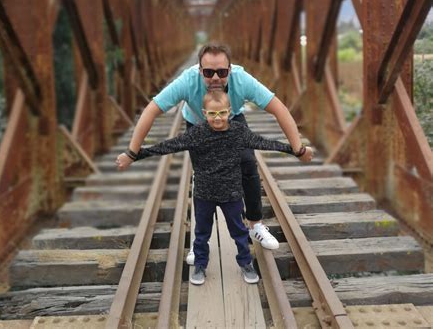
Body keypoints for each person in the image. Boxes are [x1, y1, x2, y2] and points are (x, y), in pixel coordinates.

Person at [116, 42, 313, 259]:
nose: (216, 78)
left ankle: (255, 225)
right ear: (199, 71)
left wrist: (298, 148)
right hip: (198, 122)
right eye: (208, 72)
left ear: (230, 69)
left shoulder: (242, 79)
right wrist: (132, 153)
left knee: (247, 165)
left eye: (222, 72)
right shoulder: (187, 81)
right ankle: (199, 242)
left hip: (231, 117)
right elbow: (151, 110)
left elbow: (279, 109)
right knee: (203, 174)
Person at [117, 91, 310, 285]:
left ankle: (245, 263)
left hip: (232, 194)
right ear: (204, 113)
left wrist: (295, 150)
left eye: (222, 113)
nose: (217, 118)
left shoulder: (238, 131)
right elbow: (169, 146)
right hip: (204, 195)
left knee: (239, 232)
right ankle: (200, 265)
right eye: (212, 114)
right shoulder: (197, 133)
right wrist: (135, 155)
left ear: (230, 112)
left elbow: (265, 143)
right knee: (201, 233)